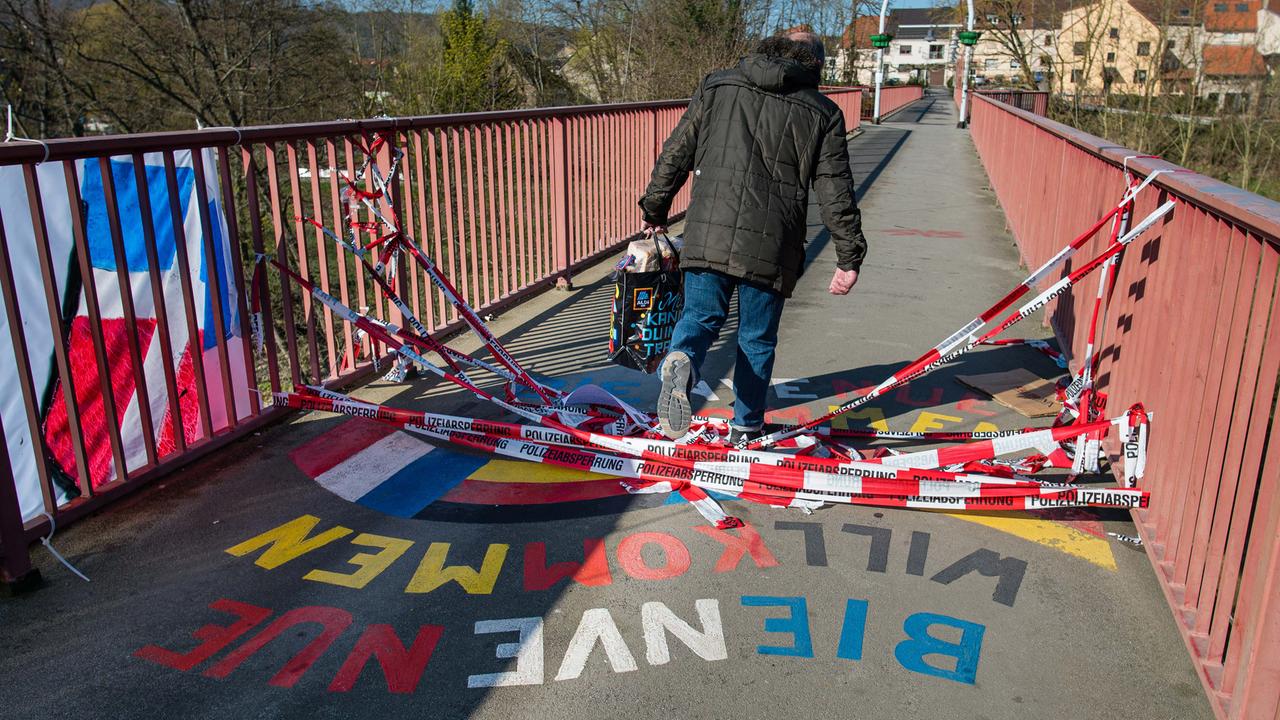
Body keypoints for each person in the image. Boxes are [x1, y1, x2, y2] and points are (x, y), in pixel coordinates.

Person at [637, 30, 868, 443]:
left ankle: (682, 362)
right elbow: (836, 189)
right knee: (756, 339)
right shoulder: (822, 112)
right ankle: (746, 425)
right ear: (815, 66)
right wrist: (849, 256)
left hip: (709, 230)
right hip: (773, 243)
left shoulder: (718, 84)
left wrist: (655, 208)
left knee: (699, 319)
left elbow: (677, 151)